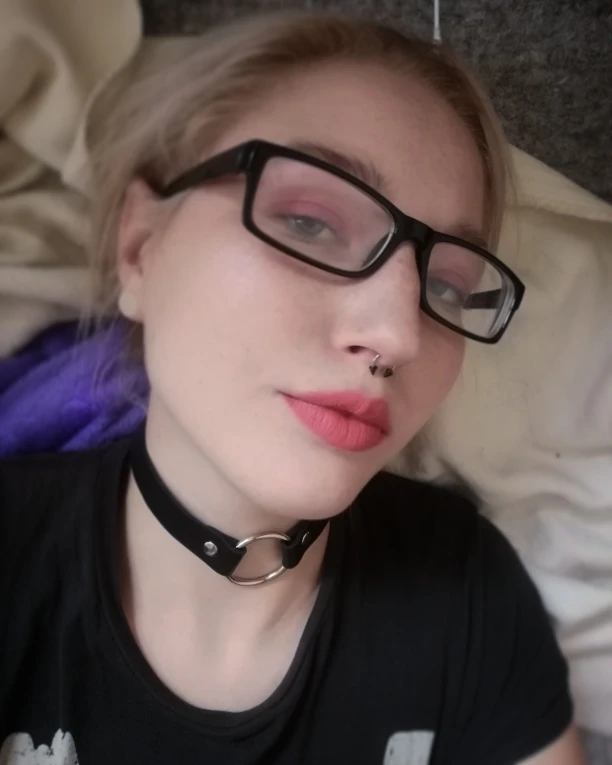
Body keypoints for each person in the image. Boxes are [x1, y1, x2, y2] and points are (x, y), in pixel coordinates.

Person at [0, 10, 585, 765]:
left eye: (446, 284)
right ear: (141, 246)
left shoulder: (467, 592)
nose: (399, 335)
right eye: (310, 222)